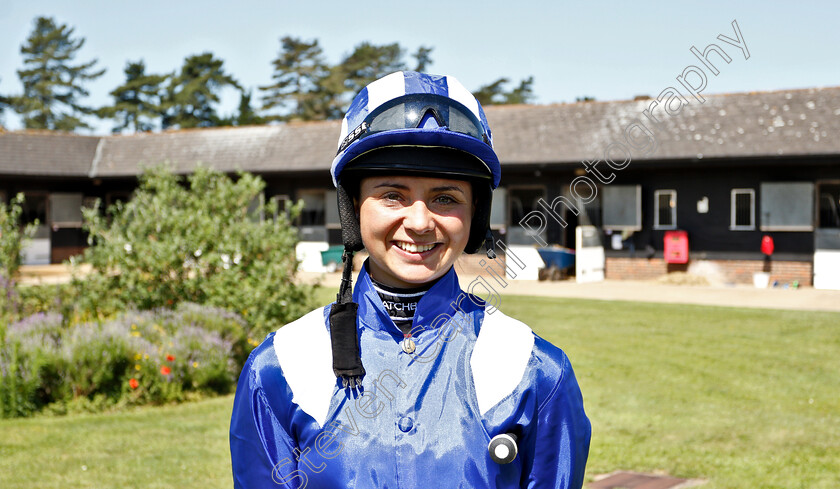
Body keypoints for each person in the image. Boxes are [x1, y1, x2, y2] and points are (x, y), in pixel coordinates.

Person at [230, 71, 591, 488]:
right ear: (352, 206)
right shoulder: (280, 367)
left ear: (476, 214)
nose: (419, 222)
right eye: (392, 195)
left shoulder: (536, 370)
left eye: (445, 198)